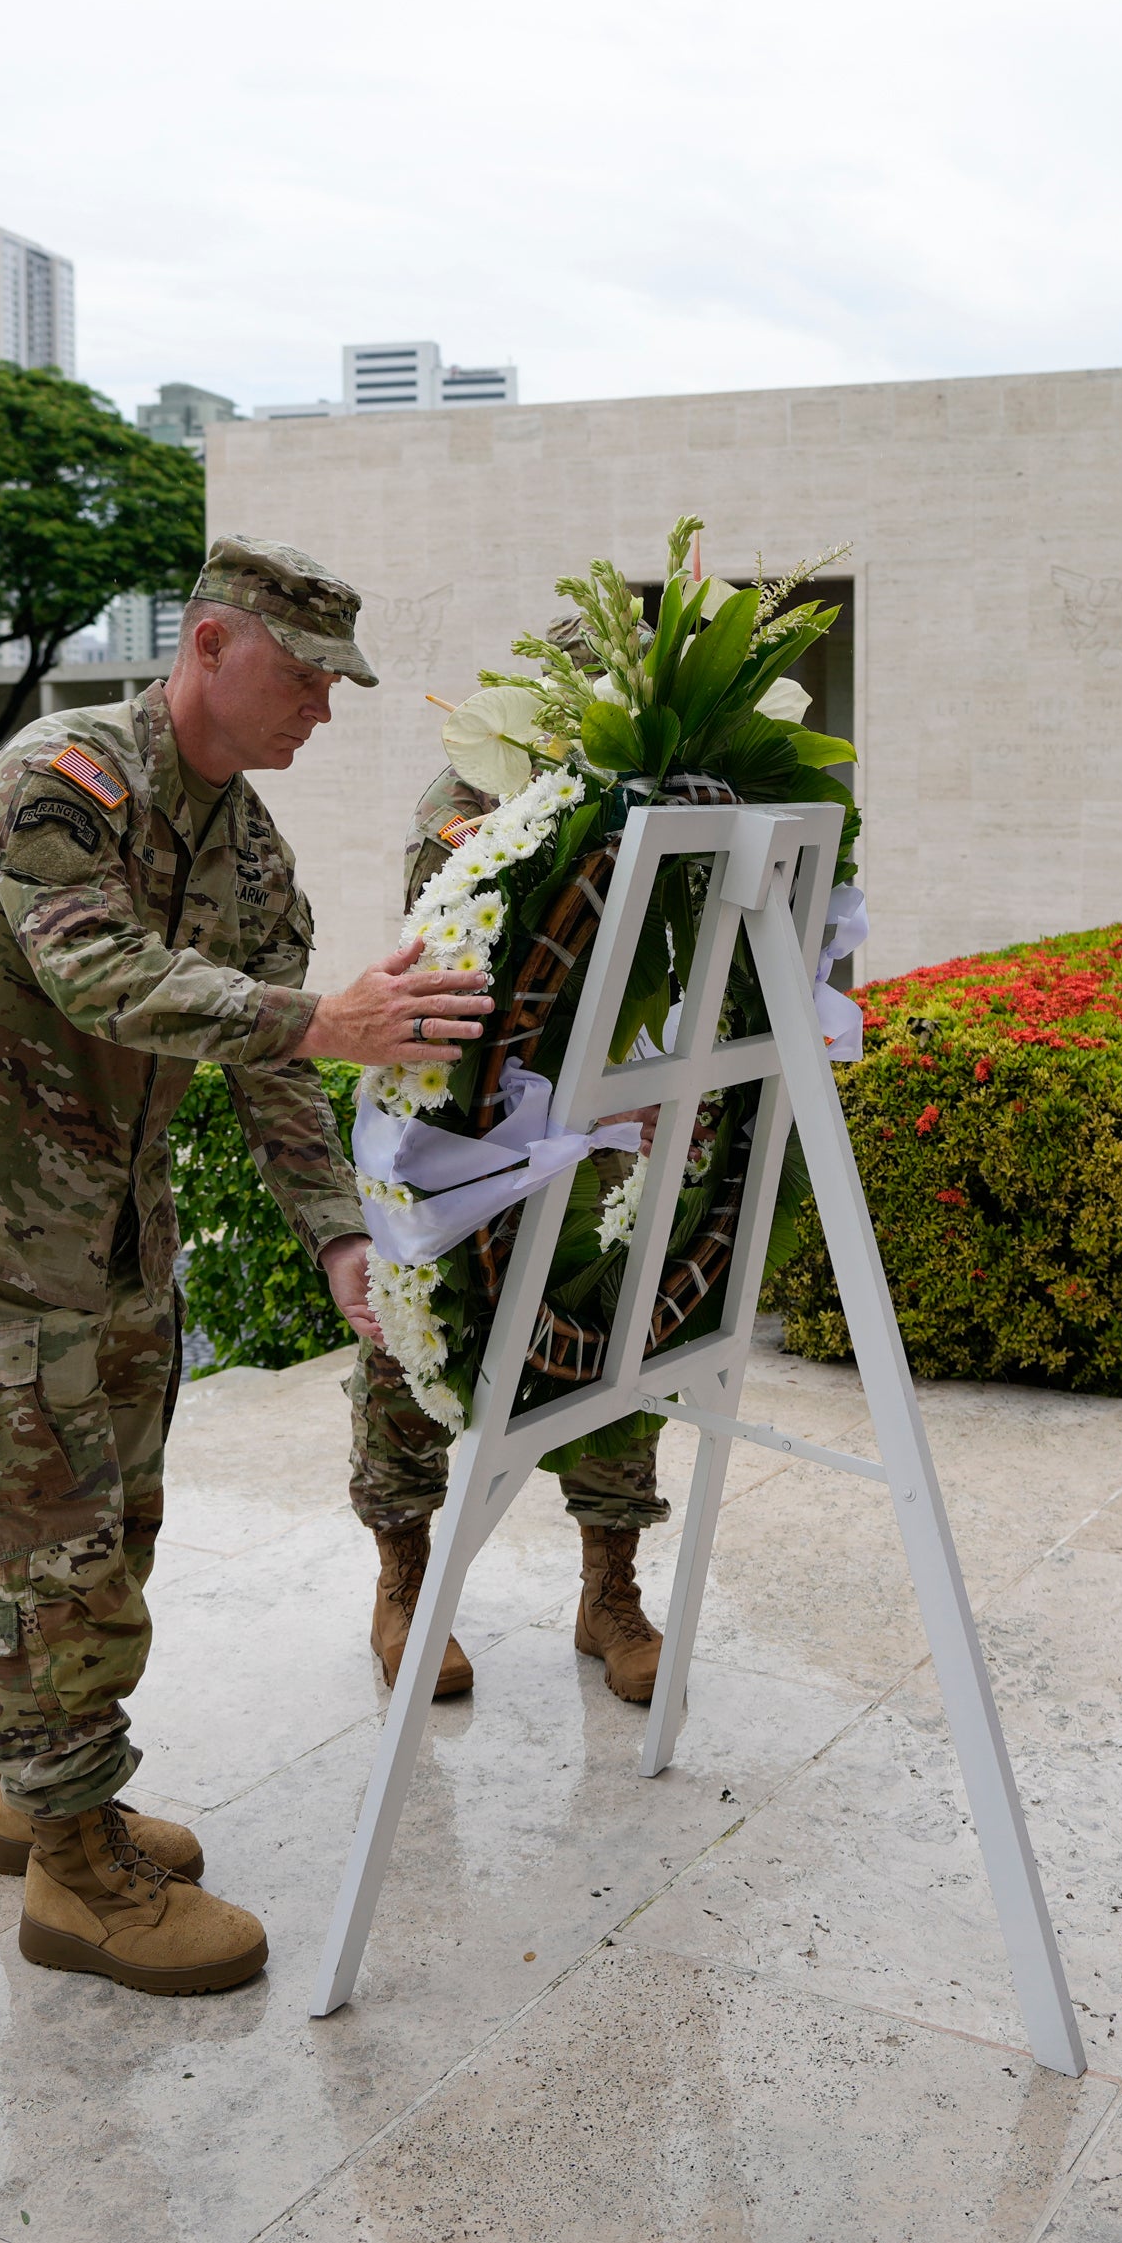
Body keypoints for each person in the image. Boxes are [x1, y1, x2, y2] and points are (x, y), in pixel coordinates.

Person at [0, 536, 487, 1999]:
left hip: (118, 1237)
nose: (323, 712)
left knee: (115, 1533)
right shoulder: (58, 782)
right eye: (305, 676)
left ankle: (40, 1797)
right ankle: (79, 1885)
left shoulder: (251, 847)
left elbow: (281, 1071)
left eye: (340, 687)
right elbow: (105, 974)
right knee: (45, 1559)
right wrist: (318, 1023)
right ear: (212, 645)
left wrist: (341, 1234)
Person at [350, 618, 672, 1709]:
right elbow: (451, 921)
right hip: (468, 1108)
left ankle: (609, 1594)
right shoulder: (470, 788)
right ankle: (403, 1584)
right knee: (414, 1341)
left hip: (600, 1110)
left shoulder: (657, 791)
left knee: (613, 1330)